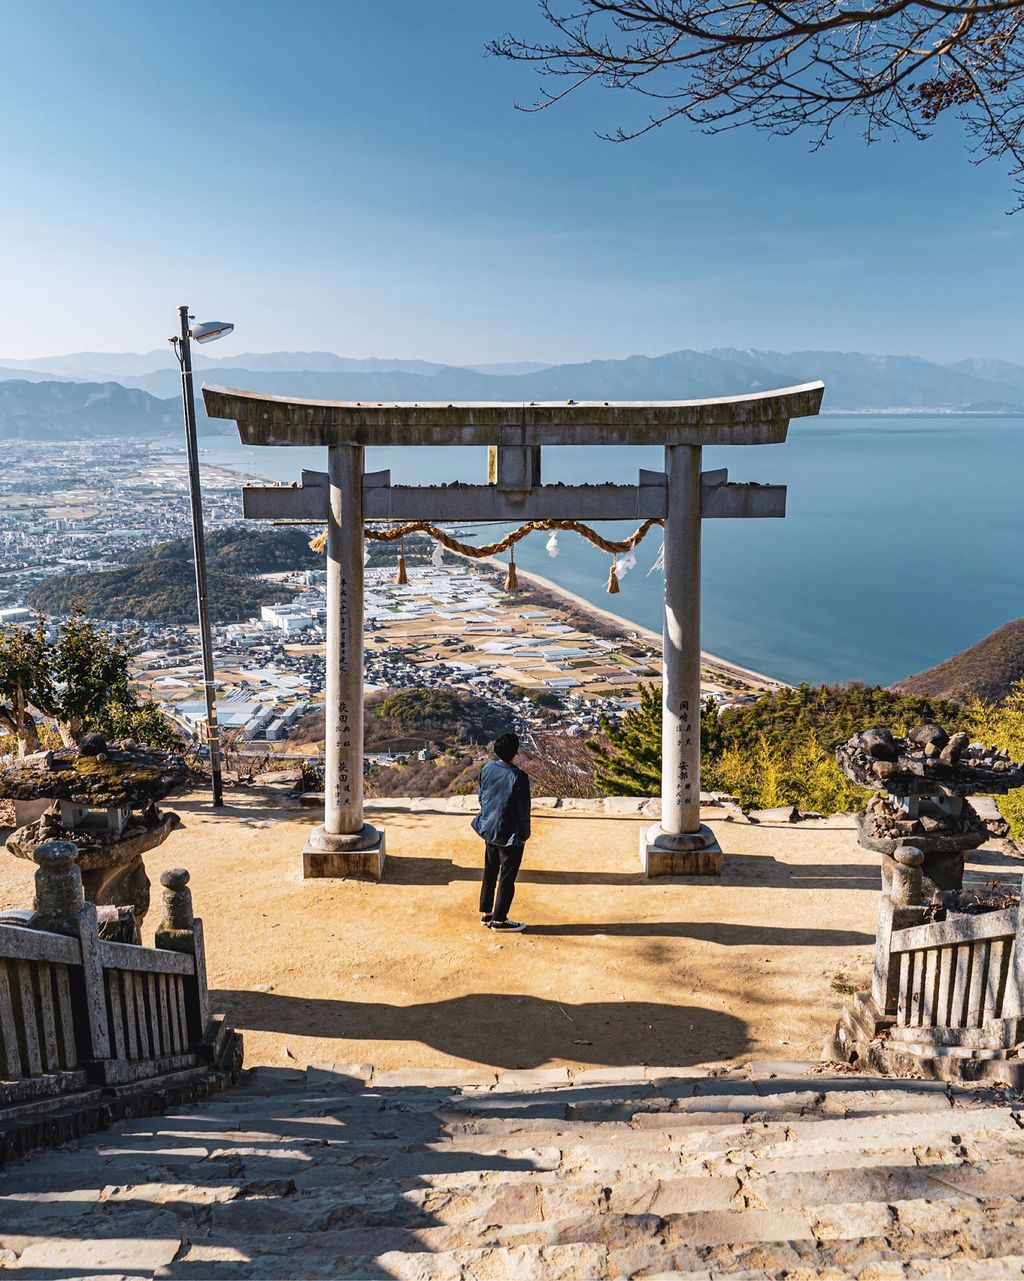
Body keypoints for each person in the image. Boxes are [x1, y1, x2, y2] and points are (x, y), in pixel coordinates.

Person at [472, 731, 531, 932]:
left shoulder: (487, 768)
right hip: (510, 834)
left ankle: (486, 913)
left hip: (489, 828)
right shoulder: (519, 777)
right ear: (515, 752)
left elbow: (482, 797)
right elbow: (523, 811)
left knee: (489, 872)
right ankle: (499, 920)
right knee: (506, 877)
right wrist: (524, 833)